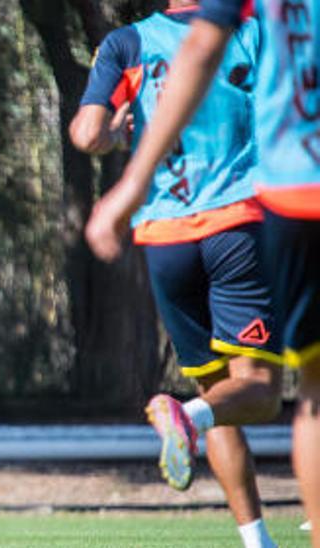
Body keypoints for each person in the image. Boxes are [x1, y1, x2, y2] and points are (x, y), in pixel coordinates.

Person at [83, 0, 320, 543]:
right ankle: (187, 419)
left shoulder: (128, 43)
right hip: (243, 218)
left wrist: (127, 173)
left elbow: (86, 129)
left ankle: (256, 540)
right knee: (262, 392)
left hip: (165, 237)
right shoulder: (254, 26)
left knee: (225, 393)